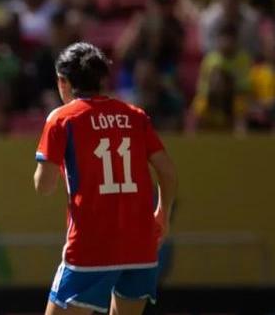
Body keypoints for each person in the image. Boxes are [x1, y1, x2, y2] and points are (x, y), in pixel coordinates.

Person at [33, 42, 178, 315]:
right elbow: (167, 171)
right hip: (141, 244)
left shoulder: (62, 119)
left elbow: (44, 186)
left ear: (62, 82)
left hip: (92, 245)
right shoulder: (135, 116)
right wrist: (163, 212)